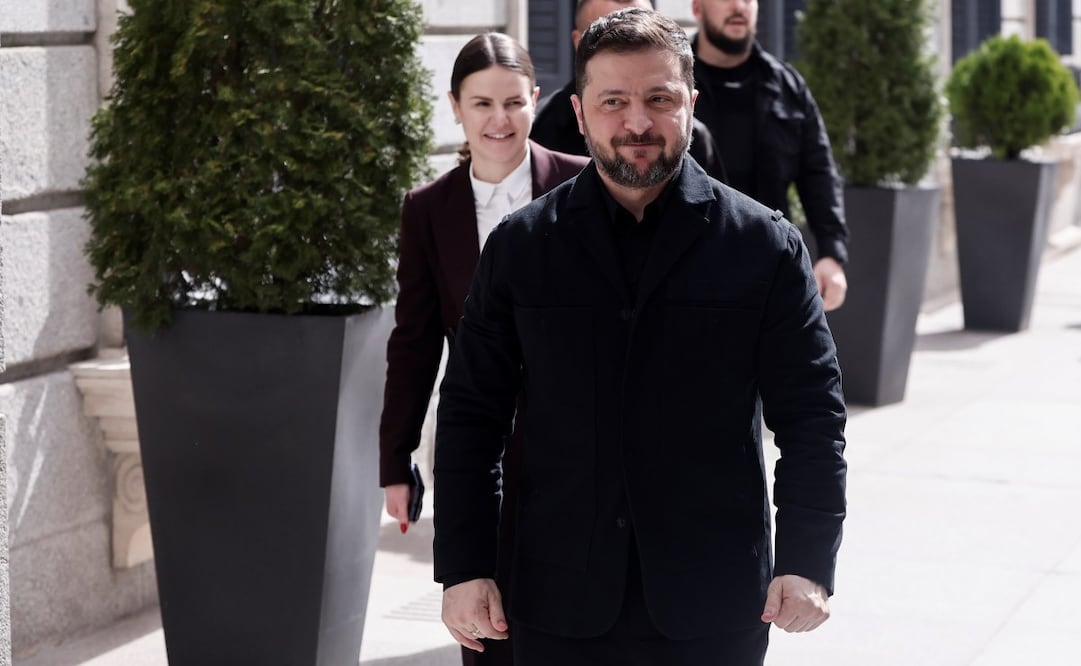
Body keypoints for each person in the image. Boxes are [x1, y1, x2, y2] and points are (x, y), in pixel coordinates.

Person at [434, 8, 847, 665]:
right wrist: (463, 566)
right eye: (613, 101)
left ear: (689, 103)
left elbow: (812, 418)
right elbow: (470, 416)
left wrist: (806, 558)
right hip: (554, 598)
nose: (635, 123)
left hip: (714, 602)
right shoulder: (519, 248)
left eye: (658, 99)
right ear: (577, 112)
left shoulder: (766, 247)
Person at [378, 32, 589, 666]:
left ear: (536, 100)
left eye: (513, 102)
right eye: (481, 104)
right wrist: (396, 459)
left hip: (578, 439)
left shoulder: (584, 185)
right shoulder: (427, 210)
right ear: (456, 107)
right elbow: (413, 341)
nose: (499, 120)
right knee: (485, 617)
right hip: (479, 444)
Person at [691, 0, 849, 311]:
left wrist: (832, 254)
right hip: (692, 270)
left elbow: (818, 172)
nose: (739, 6)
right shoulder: (674, 86)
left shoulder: (787, 85)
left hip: (771, 267)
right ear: (697, 7)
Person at [531, 0, 729, 184]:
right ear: (579, 112)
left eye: (639, 27)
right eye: (604, 32)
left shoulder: (693, 135)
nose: (638, 126)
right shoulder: (541, 124)